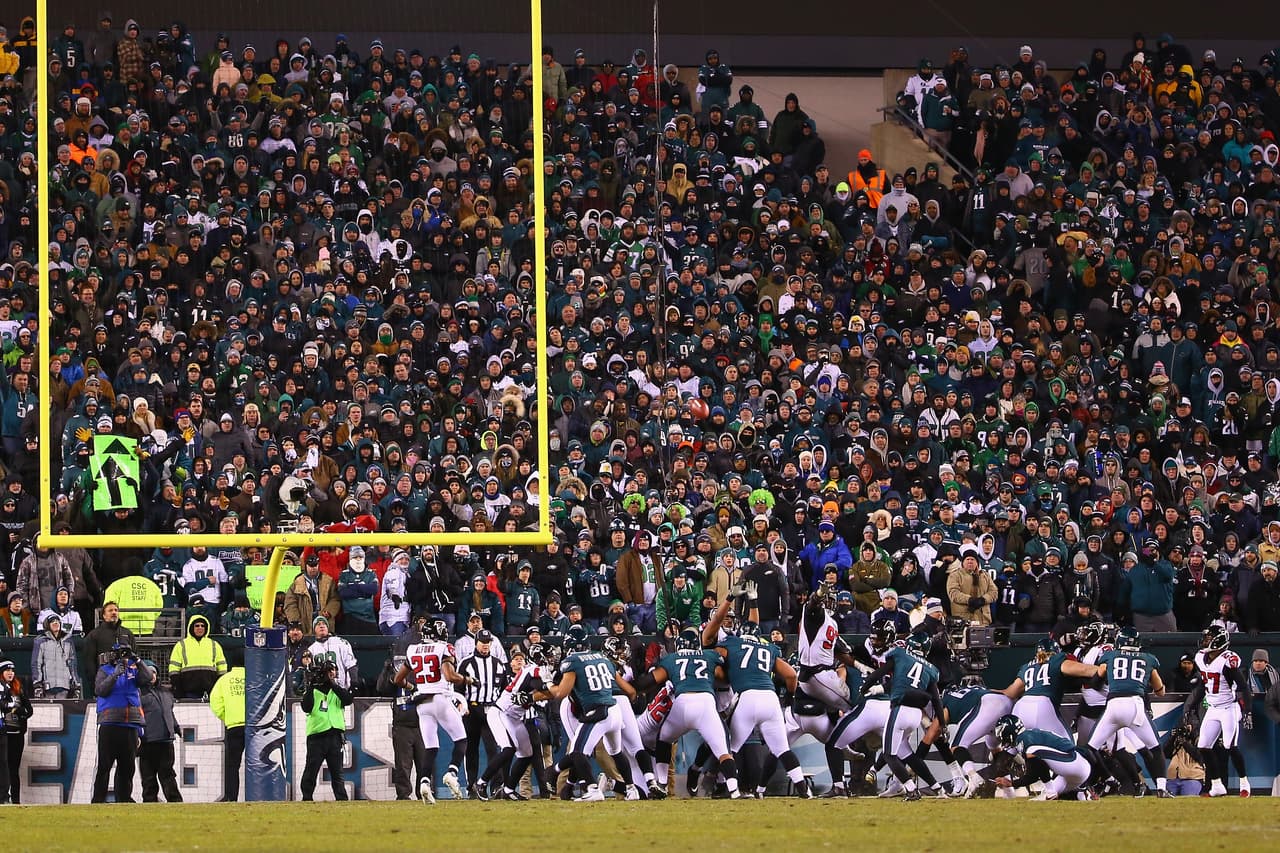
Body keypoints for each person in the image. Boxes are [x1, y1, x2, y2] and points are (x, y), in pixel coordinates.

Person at [703, 597, 811, 797]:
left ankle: (728, 789)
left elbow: (709, 647)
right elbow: (790, 675)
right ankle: (804, 790)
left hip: (746, 697)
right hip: (770, 698)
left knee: (729, 749)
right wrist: (789, 696)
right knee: (782, 749)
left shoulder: (731, 643)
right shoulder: (768, 647)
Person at [532, 629, 634, 802]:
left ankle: (592, 788)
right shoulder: (603, 658)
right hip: (615, 710)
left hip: (597, 712)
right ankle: (631, 789)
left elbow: (560, 693)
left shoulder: (572, 662)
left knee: (578, 752)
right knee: (615, 752)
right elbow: (630, 690)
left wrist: (547, 681)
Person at [394, 618, 470, 803]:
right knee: (461, 740)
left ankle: (424, 783)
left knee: (431, 747)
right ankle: (452, 773)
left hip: (422, 703)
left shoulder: (413, 649)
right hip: (440, 697)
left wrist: (412, 687)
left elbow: (397, 679)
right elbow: (450, 676)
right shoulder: (444, 648)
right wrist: (468, 680)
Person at [1088, 627, 1171, 797]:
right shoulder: (1148, 659)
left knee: (1090, 748)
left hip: (1114, 705)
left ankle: (1102, 780)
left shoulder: (1110, 655)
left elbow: (1096, 682)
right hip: (1135, 705)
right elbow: (1160, 690)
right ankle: (1161, 788)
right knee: (1155, 748)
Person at [1188, 626, 1252, 797]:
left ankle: (1244, 783)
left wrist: (1248, 711)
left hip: (1228, 708)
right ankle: (1217, 785)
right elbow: (1204, 684)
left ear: (1218, 640)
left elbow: (1244, 686)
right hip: (1213, 708)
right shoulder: (1201, 657)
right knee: (1203, 746)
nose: (1205, 640)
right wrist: (1193, 704)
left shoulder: (1227, 660)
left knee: (1230, 746)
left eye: (1209, 638)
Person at [92, 642, 151, 803]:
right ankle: (98, 800)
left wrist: (137, 660)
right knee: (104, 765)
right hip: (110, 723)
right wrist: (115, 674)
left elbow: (148, 678)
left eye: (124, 653)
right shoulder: (104, 670)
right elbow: (100, 690)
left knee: (127, 767)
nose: (122, 657)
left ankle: (124, 799)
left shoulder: (133, 668)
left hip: (130, 724)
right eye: (119, 653)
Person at [1004, 637, 1098, 740]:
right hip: (1043, 706)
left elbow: (1011, 692)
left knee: (1016, 747)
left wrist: (987, 692)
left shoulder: (1027, 666)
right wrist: (1106, 669)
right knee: (1067, 747)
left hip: (1020, 708)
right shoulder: (1056, 660)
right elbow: (1085, 670)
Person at [457, 629, 511, 798]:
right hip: (472, 710)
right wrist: (461, 706)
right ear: (476, 642)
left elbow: (504, 690)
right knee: (471, 749)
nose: (485, 645)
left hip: (491, 710)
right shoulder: (466, 663)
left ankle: (495, 785)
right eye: (482, 642)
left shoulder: (498, 664)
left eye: (488, 642)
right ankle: (472, 785)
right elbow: (457, 689)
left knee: (493, 750)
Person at [993, 715, 1099, 800]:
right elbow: (1005, 757)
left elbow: (1036, 770)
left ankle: (1053, 791)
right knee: (1041, 800)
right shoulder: (1028, 735)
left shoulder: (1024, 740)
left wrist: (1011, 783)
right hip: (1077, 768)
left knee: (1048, 792)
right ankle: (1082, 794)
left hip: (1072, 764)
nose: (1000, 736)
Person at [299, 658, 352, 801]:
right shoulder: (314, 690)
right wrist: (311, 685)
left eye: (333, 670)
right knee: (311, 771)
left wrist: (332, 684)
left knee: (337, 774)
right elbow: (306, 707)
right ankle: (307, 798)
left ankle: (342, 801)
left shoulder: (338, 690)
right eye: (328, 671)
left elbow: (348, 700)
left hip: (335, 736)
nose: (331, 673)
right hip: (317, 737)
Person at [138, 661, 183, 802]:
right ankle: (149, 802)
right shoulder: (137, 692)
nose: (152, 675)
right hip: (147, 741)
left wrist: (175, 727)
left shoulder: (165, 692)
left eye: (154, 672)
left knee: (167, 774)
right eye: (148, 672)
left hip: (165, 740)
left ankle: (175, 801)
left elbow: (169, 712)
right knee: (148, 777)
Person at [167, 614, 228, 699]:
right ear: (191, 627)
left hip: (211, 691)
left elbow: (222, 668)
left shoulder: (214, 644)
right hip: (188, 691)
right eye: (197, 626)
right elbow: (174, 669)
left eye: (203, 626)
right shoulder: (181, 645)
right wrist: (177, 688)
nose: (200, 628)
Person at [209, 666, 246, 802]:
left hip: (234, 726)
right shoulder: (254, 677)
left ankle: (232, 797)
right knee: (257, 763)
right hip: (253, 728)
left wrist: (227, 716)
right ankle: (258, 795)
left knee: (233, 766)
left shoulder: (224, 680)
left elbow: (215, 702)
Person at [0, 661, 32, 803]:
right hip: (3, 733)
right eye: (7, 670)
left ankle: (16, 801)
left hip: (17, 734)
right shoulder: (1, 689)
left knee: (13, 769)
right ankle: (4, 798)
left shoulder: (19, 688)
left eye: (12, 670)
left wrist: (20, 712)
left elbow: (29, 710)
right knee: (3, 766)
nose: (10, 673)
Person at [284, 554, 341, 631]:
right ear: (306, 566)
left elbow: (335, 599)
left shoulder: (328, 581)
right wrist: (295, 621)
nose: (313, 568)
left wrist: (329, 611)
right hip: (304, 622)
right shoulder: (297, 582)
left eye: (315, 565)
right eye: (310, 566)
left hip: (324, 620)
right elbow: (290, 603)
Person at [81, 602, 135, 683]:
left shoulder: (127, 633)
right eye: (110, 610)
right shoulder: (94, 635)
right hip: (104, 679)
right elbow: (89, 661)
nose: (114, 612)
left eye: (116, 610)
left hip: (126, 679)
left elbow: (134, 654)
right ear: (104, 615)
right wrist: (95, 682)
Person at [31, 613, 80, 698]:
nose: (55, 623)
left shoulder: (68, 641)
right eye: (52, 622)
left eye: (57, 621)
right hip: (47, 687)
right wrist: (37, 684)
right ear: (47, 625)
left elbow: (72, 664)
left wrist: (76, 684)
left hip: (64, 686)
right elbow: (36, 664)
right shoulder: (40, 641)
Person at [307, 616, 358, 691]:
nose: (321, 626)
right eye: (318, 624)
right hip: (321, 691)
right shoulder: (311, 649)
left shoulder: (341, 642)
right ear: (314, 630)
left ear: (328, 628)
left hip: (342, 689)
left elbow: (351, 665)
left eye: (324, 623)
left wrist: (354, 684)